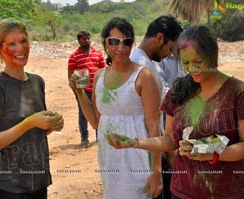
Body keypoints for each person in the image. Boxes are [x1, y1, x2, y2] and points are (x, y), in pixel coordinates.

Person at [107, 25, 244, 199]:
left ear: (213, 56)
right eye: (186, 63)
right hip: (183, 191)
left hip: (228, 192)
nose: (192, 69)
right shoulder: (179, 91)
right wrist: (135, 142)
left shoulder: (238, 93)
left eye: (198, 62)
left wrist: (212, 153)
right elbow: (171, 140)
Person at [69, 17, 162, 199]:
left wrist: (157, 171)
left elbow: (154, 127)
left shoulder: (143, 77)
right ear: (105, 43)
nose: (121, 48)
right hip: (109, 157)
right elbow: (97, 122)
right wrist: (79, 93)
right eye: (114, 42)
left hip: (137, 158)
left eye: (126, 42)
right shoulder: (100, 76)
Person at [0, 18, 64, 199]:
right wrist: (29, 122)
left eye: (24, 41)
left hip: (39, 182)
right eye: (12, 44)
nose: (20, 49)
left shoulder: (37, 81)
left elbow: (35, 131)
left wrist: (51, 124)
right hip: (10, 187)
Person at [130, 14, 183, 199]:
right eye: (170, 48)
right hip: (148, 150)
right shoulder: (139, 66)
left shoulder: (147, 63)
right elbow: (151, 119)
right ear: (159, 38)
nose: (170, 54)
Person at [68, 30, 106, 147]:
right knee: (83, 114)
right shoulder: (74, 56)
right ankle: (84, 138)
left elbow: (104, 71)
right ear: (79, 41)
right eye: (84, 39)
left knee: (99, 113)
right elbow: (70, 74)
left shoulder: (98, 54)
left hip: (97, 88)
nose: (87, 40)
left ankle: (99, 136)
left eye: (88, 38)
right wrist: (76, 91)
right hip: (83, 88)